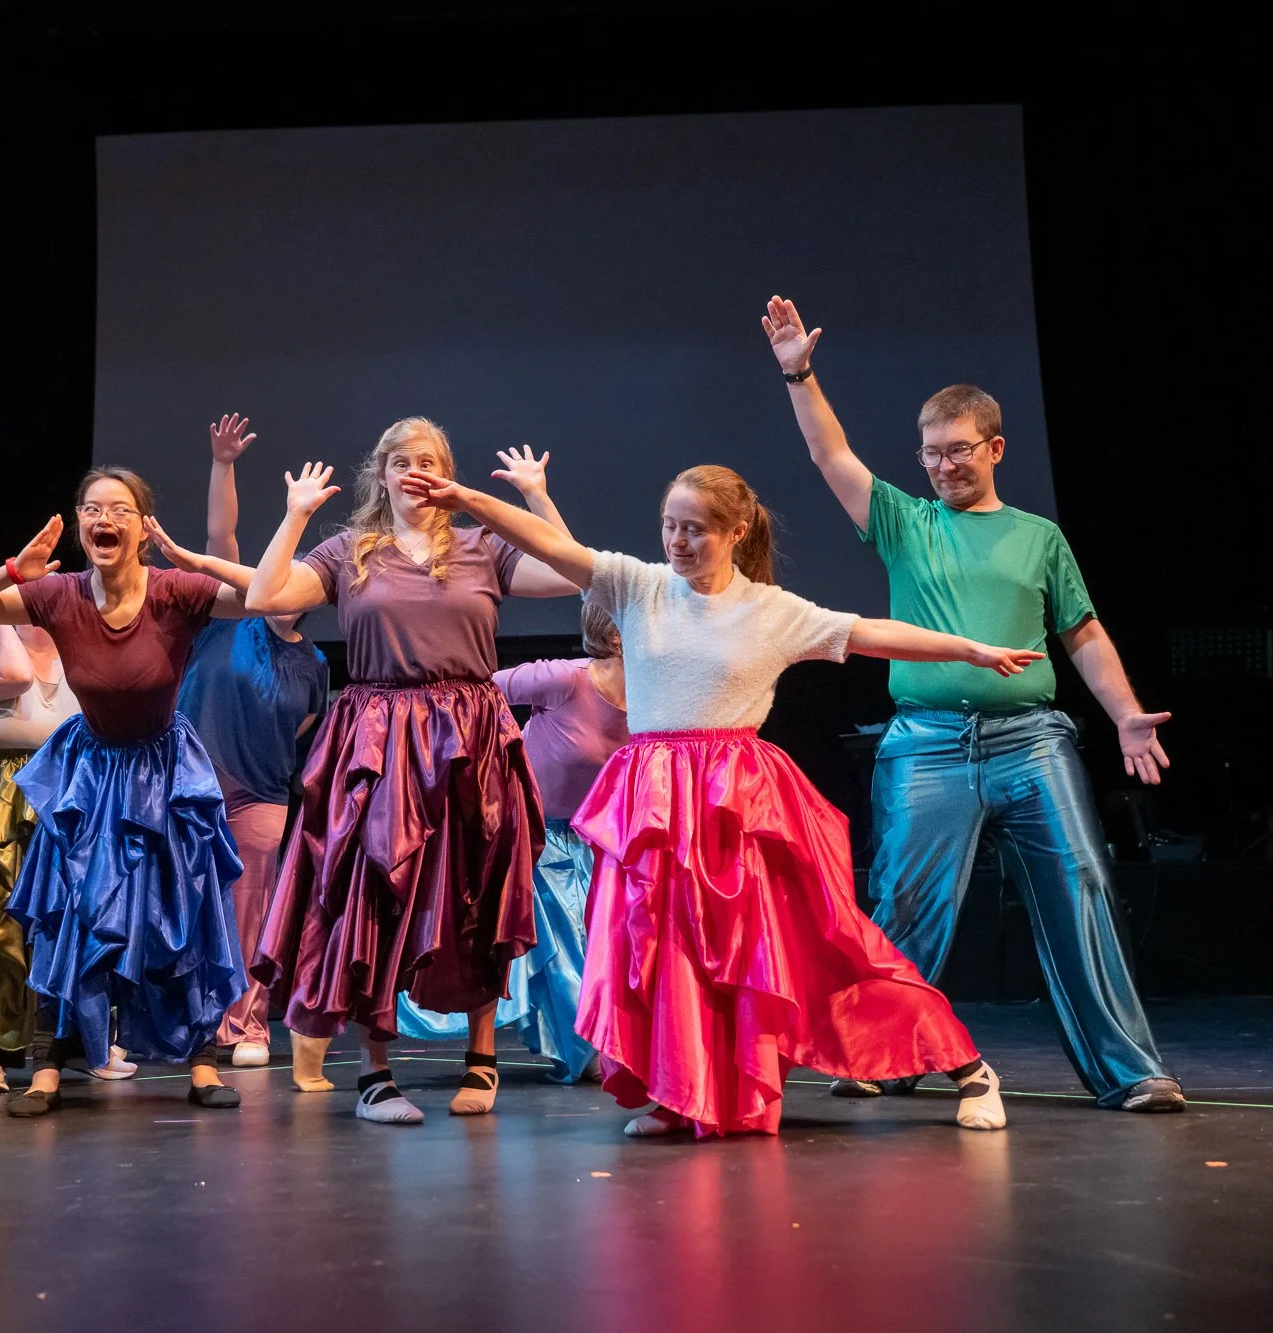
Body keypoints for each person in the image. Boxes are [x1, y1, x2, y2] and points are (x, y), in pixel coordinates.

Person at [400, 462, 1038, 1138]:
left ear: (735, 532)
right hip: (654, 795)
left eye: (694, 530)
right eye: (669, 526)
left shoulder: (770, 611)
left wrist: (969, 649)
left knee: (824, 944)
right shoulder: (638, 587)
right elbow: (555, 547)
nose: (676, 541)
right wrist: (469, 497)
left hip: (737, 799)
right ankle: (684, 1094)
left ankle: (968, 1068)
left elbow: (871, 632)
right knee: (668, 952)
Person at [762, 294, 1184, 1112]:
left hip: (1031, 740)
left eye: (957, 451)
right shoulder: (905, 523)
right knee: (905, 904)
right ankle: (884, 1056)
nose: (942, 466)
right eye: (929, 454)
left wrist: (1125, 711)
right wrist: (798, 372)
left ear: (994, 447)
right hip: (925, 743)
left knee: (1083, 887)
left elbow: (1084, 635)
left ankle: (1131, 1070)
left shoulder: (1039, 537)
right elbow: (830, 454)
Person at [246, 422, 580, 1123]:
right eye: (402, 462)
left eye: (429, 462)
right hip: (379, 734)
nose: (415, 473)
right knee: (376, 892)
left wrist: (531, 499)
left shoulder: (481, 546)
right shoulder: (350, 551)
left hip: (471, 733)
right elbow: (266, 596)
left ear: (448, 474)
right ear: (383, 474)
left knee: (475, 890)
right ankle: (376, 1073)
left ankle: (481, 1060)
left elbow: (576, 569)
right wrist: (296, 513)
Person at [0, 463, 263, 1117]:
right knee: (77, 915)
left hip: (166, 773)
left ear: (142, 526)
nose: (102, 518)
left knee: (185, 911)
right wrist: (13, 568)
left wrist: (196, 558)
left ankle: (201, 1060)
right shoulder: (59, 595)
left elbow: (273, 596)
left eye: (118, 509)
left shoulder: (175, 590)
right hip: (91, 773)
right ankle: (53, 1063)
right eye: (90, 508)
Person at [392, 598, 628, 1082]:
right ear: (617, 638)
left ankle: (603, 1044)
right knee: (562, 940)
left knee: (603, 942)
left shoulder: (657, 695)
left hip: (600, 839)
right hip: (535, 836)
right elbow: (482, 691)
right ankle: (589, 1050)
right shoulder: (567, 679)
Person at [176, 415, 332, 1074]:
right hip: (190, 786)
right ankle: (180, 1020)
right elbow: (220, 535)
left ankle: (246, 1023)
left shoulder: (314, 663)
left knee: (251, 917)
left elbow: (302, 732)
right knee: (181, 904)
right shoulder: (233, 616)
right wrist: (222, 463)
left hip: (259, 797)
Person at [0, 622, 140, 1093]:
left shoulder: (82, 659)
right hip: (5, 798)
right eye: (24, 601)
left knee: (74, 924)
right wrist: (4, 620)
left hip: (71, 797)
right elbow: (16, 678)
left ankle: (80, 1047)